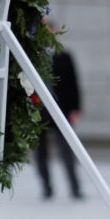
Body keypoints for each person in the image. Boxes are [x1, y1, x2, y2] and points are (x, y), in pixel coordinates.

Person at [35, 31, 83, 200]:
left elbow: (73, 83)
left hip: (62, 110)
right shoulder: (33, 57)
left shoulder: (64, 56)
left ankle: (75, 187)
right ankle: (46, 187)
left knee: (67, 150)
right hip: (40, 112)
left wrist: (76, 108)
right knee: (40, 152)